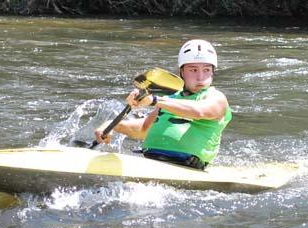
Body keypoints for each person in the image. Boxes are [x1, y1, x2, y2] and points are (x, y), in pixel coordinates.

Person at [94, 39, 232, 170]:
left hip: (189, 165)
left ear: (213, 71)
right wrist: (112, 125)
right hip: (152, 158)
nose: (201, 77)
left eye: (206, 70)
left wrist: (154, 100)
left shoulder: (217, 98)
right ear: (182, 72)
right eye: (193, 70)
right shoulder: (171, 99)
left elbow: (199, 111)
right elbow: (143, 129)